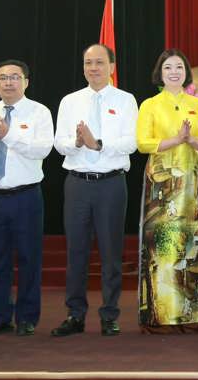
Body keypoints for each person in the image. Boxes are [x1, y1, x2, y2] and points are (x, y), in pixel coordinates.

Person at [50, 44, 138, 337]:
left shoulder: (125, 100)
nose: (93, 68)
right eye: (88, 63)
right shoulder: (70, 101)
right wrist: (76, 142)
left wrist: (97, 143)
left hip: (111, 184)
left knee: (112, 253)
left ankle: (109, 315)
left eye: (99, 62)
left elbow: (131, 143)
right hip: (77, 184)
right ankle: (75, 315)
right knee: (76, 252)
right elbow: (58, 142)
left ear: (112, 66)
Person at [136, 49, 198, 332]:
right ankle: (162, 314)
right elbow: (142, 143)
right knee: (162, 244)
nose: (174, 72)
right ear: (160, 73)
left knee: (193, 242)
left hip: (192, 178)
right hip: (162, 180)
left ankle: (193, 313)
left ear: (186, 72)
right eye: (168, 68)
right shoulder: (150, 104)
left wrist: (193, 140)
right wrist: (175, 139)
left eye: (179, 68)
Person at [0, 60, 53, 337]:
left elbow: (42, 149)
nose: (8, 82)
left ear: (26, 81)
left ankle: (27, 317)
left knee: (29, 258)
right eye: (2, 77)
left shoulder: (39, 112)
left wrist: (9, 134)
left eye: (14, 77)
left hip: (26, 196)